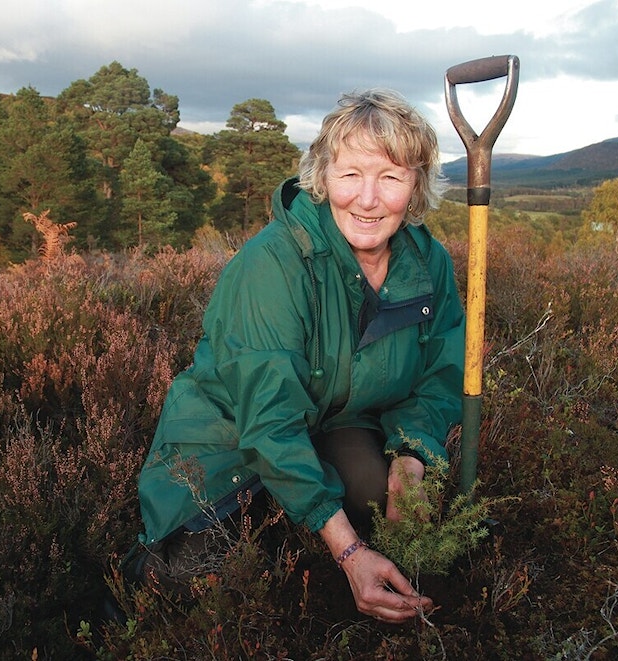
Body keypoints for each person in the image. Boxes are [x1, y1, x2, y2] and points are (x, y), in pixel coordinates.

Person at [127, 89, 464, 624]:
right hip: (230, 438)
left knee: (391, 505)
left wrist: (412, 453)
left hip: (333, 422)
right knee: (199, 585)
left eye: (392, 178)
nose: (369, 199)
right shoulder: (275, 264)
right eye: (351, 174)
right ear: (323, 176)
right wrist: (350, 553)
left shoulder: (428, 264)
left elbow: (441, 377)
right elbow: (270, 421)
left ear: (417, 186)